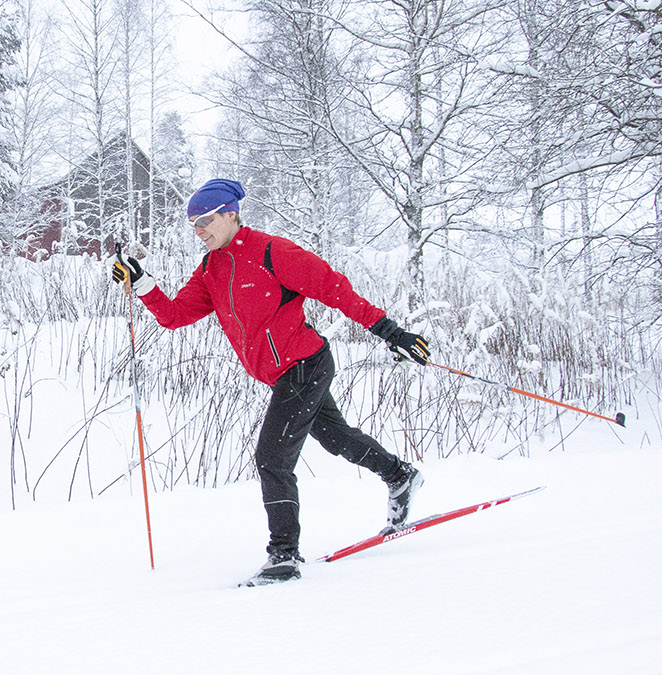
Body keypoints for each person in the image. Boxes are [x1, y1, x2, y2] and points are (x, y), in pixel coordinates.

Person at [109, 178, 430, 584]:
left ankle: (284, 556)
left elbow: (334, 288)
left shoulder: (271, 252)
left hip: (305, 364)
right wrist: (143, 284)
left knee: (271, 457)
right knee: (334, 437)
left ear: (230, 214)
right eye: (194, 224)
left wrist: (389, 331)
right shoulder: (212, 268)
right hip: (282, 375)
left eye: (206, 220)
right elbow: (175, 315)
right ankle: (400, 476)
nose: (199, 230)